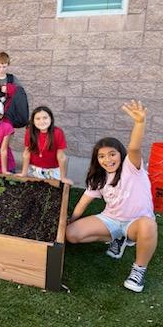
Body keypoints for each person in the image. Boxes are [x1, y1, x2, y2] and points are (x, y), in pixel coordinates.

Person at [66, 100, 158, 293]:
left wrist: (139, 123)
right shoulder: (98, 177)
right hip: (111, 219)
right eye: (102, 156)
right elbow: (84, 202)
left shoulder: (132, 168)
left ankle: (138, 270)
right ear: (97, 160)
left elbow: (134, 148)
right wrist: (70, 221)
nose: (107, 160)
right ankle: (118, 238)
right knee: (71, 235)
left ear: (120, 154)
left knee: (149, 225)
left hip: (136, 223)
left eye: (112, 154)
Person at [18, 106, 73, 184]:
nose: (42, 121)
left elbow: (61, 156)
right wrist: (24, 172)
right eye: (38, 118)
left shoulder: (58, 133)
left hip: (52, 170)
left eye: (45, 118)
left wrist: (63, 177)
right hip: (33, 169)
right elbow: (26, 153)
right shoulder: (29, 132)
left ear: (51, 119)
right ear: (33, 121)